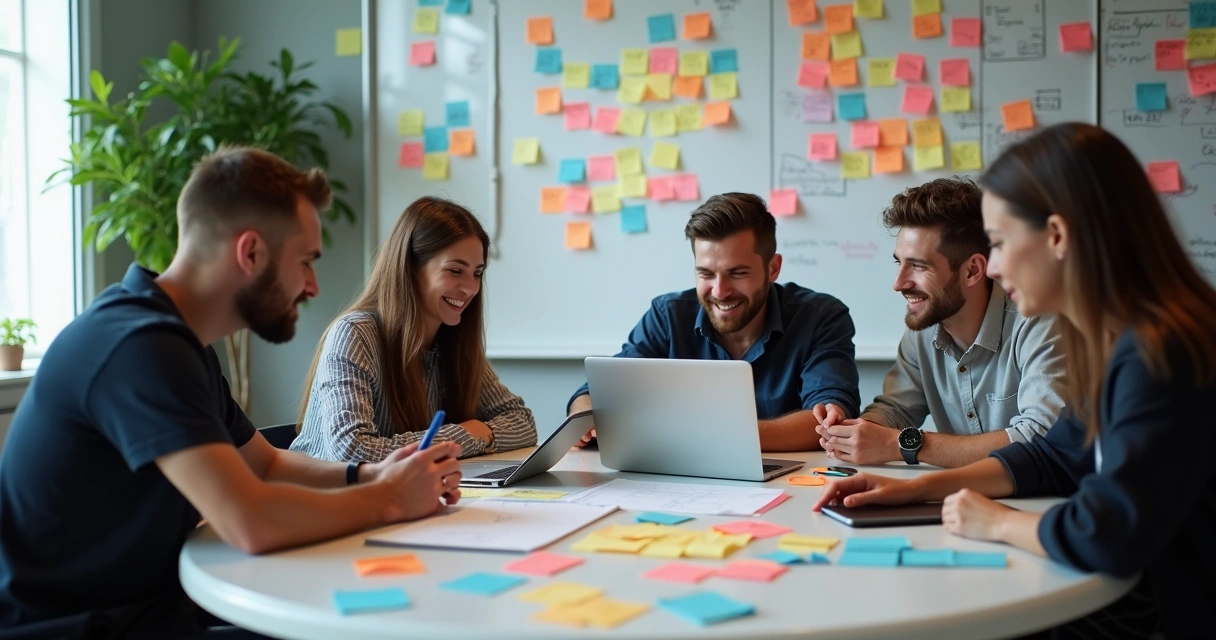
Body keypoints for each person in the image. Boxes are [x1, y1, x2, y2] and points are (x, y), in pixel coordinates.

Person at [0, 148, 463, 638]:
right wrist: (391, 499)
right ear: (251, 252)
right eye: (305, 262)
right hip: (75, 628)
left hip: (151, 608)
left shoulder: (181, 342)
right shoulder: (137, 346)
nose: (313, 286)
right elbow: (252, 522)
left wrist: (370, 474)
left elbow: (266, 464)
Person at [813, 123, 1216, 638]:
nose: (995, 267)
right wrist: (919, 491)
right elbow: (1053, 454)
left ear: (1056, 237)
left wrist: (996, 522)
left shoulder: (1159, 352)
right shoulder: (1117, 340)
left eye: (1000, 244)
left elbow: (1106, 531)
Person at [569, 192, 860, 452]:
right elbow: (595, 393)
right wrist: (586, 417)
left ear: (773, 268)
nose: (720, 292)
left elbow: (828, 421)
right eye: (706, 274)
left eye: (737, 273)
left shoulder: (821, 317)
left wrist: (701, 435)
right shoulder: (668, 315)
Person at [814, 178, 1067, 468]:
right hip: (960, 498)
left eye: (919, 266)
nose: (898, 284)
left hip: (1043, 503)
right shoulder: (925, 326)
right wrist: (851, 431)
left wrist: (902, 444)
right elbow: (896, 408)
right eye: (899, 263)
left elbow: (1042, 438)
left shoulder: (1039, 321)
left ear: (972, 270)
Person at [291, 196, 537, 462]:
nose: (470, 288)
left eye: (477, 273)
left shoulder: (452, 339)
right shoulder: (354, 334)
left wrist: (485, 432)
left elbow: (523, 423)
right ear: (409, 268)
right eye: (455, 271)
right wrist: (467, 435)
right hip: (325, 499)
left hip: (406, 494)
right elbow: (353, 450)